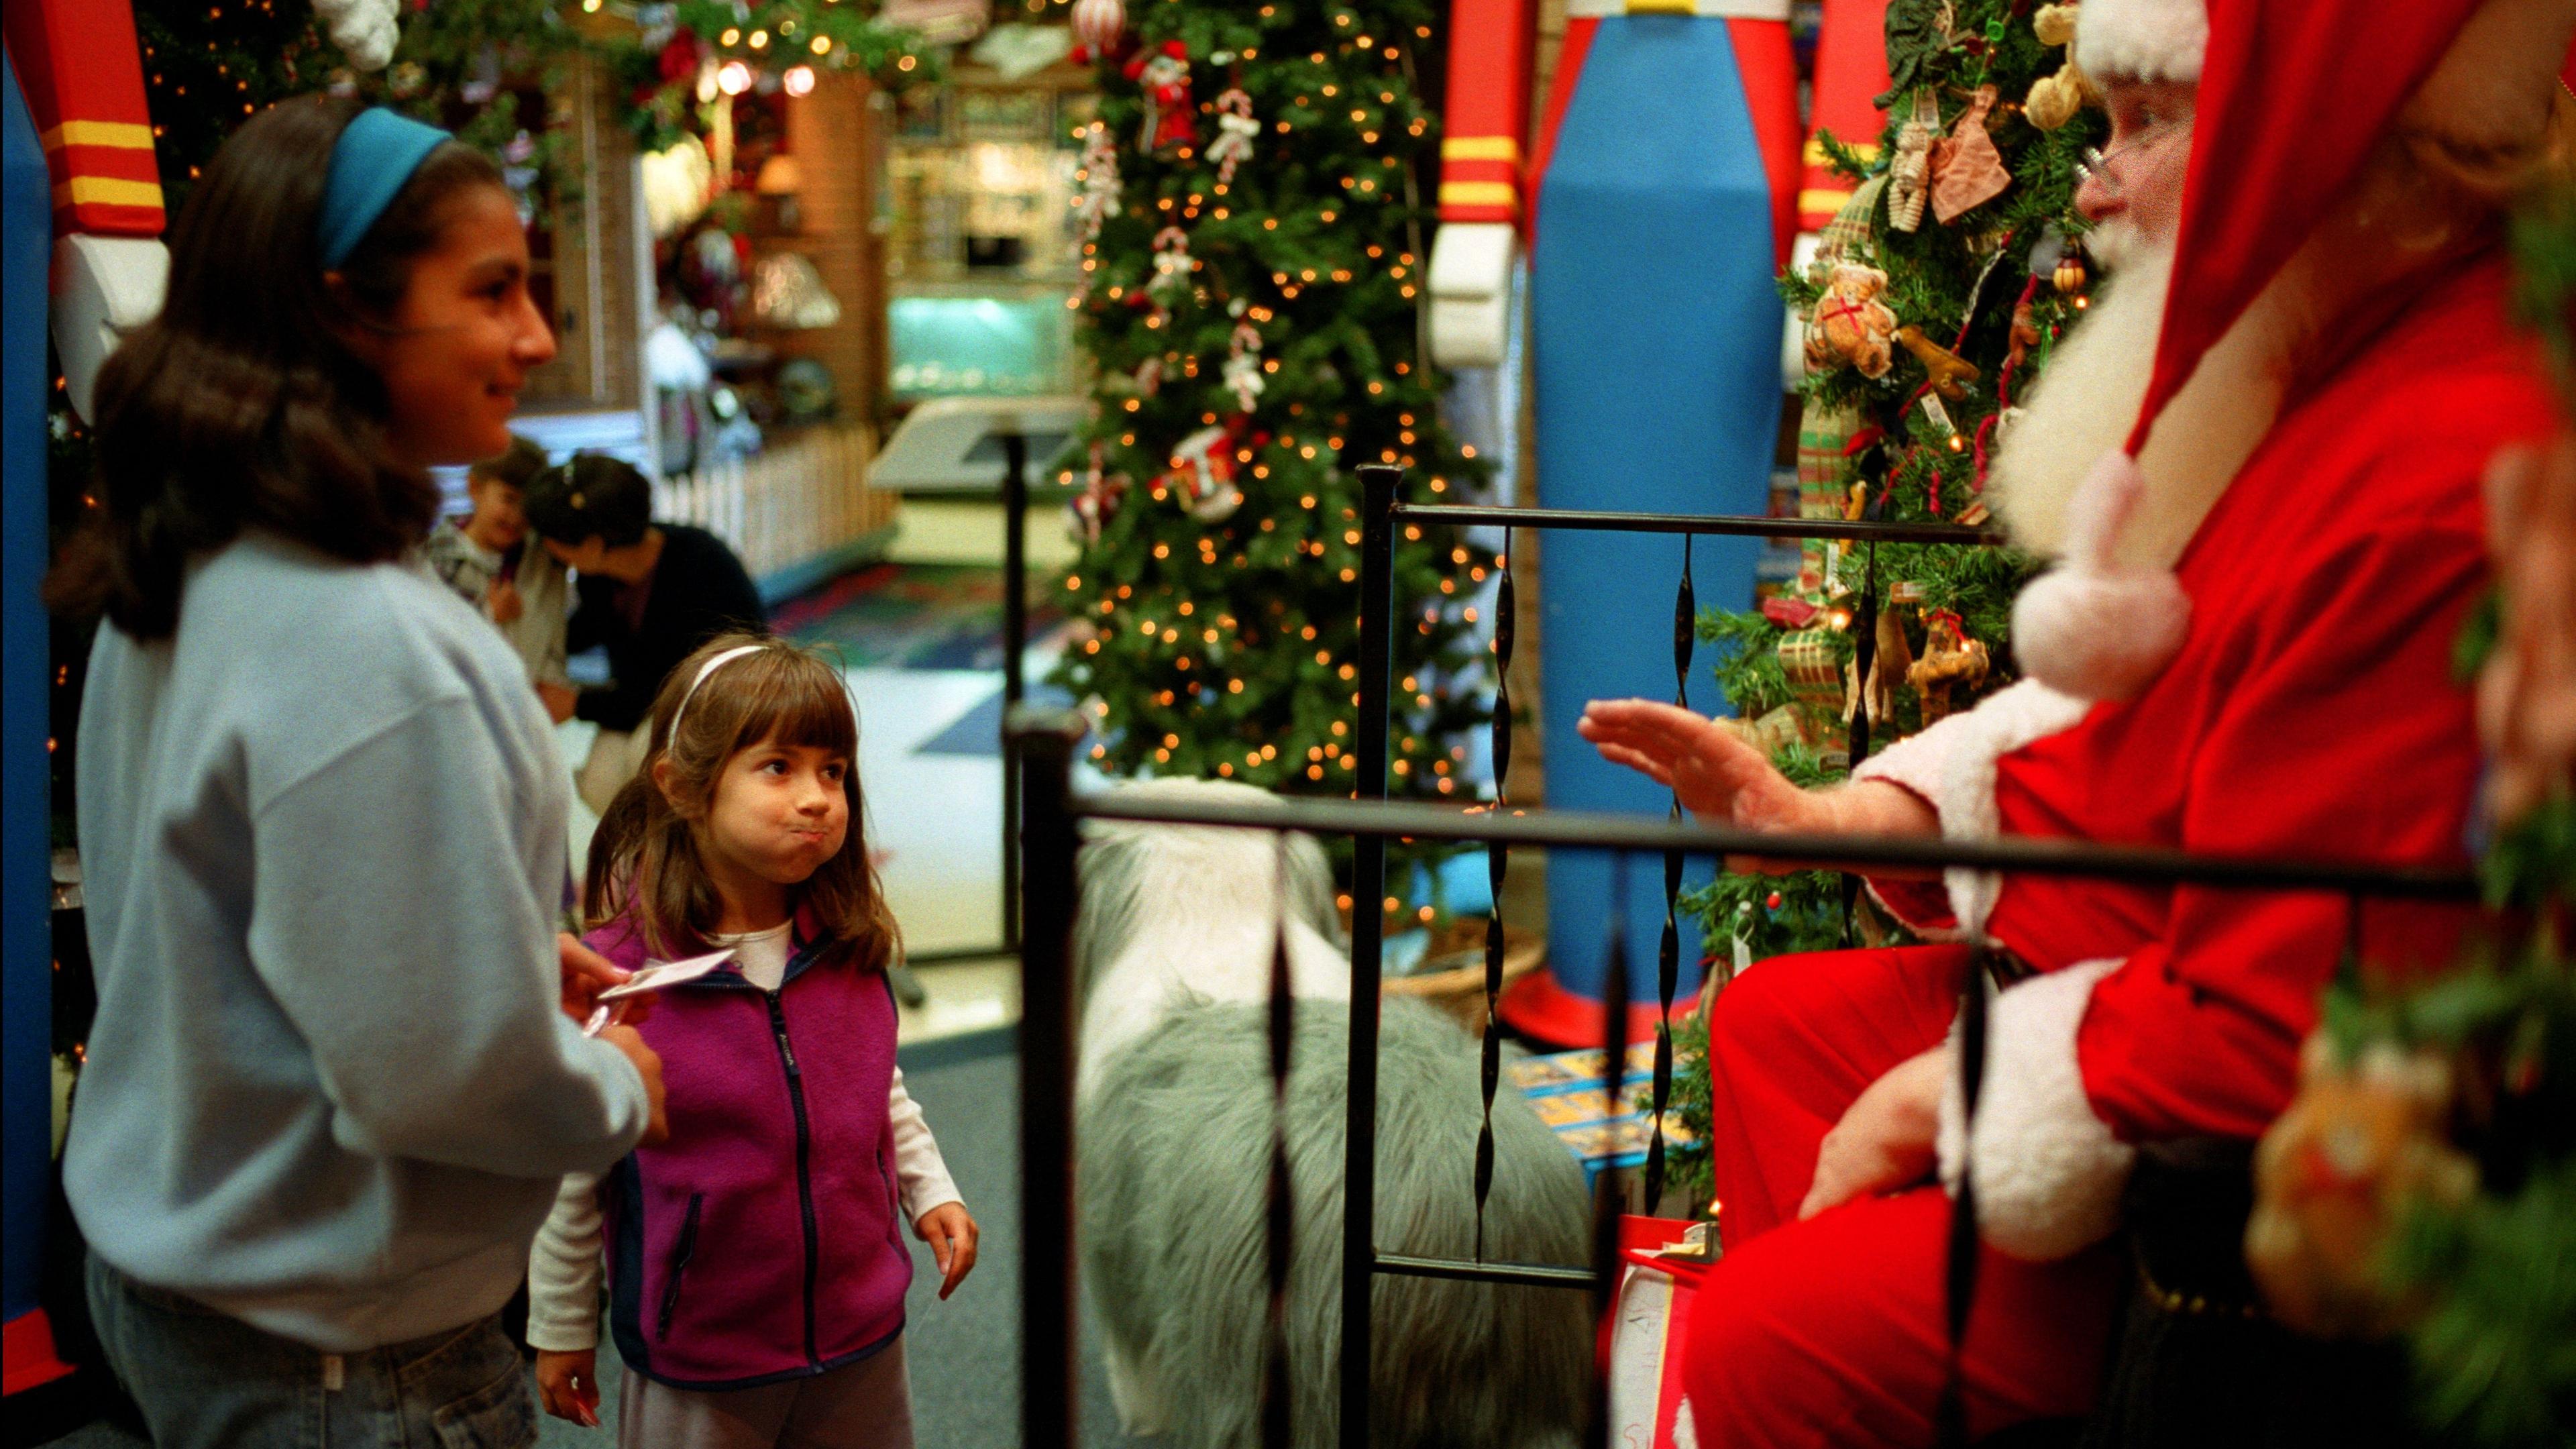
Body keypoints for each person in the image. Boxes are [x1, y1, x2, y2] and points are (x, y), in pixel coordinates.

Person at [1577, 1, 2576, 1443]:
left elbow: (2305, 1014)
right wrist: (1855, 816)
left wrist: (1963, 1098)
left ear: (2329, 141)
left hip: (2256, 1201)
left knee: (1770, 1333)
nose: (2091, 186)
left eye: (2149, 123)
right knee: (1781, 1026)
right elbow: (2159, 739)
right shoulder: (2336, 360)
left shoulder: (2440, 464)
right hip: (2154, 1021)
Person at [43, 100, 669, 1448]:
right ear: (346, 315)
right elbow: (441, 1084)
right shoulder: (374, 646)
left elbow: (239, 917)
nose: (537, 339)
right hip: (350, 1366)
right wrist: (612, 1086)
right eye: (493, 292)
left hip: (192, 1298)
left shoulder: (189, 558)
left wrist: (486, 952)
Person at [527, 635, 978, 1448]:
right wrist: (560, 1323)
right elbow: (576, 1169)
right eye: (779, 767)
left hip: (859, 1330)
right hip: (703, 1354)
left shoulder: (843, 944)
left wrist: (931, 1189)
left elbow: (878, 1087)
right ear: (683, 788)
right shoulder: (622, 975)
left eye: (833, 770)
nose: (818, 798)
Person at [521, 452, 767, 814]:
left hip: (717, 705)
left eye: (552, 537)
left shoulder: (701, 568)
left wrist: (575, 703)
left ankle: (691, 863)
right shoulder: (600, 574)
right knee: (601, 785)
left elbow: (672, 690)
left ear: (591, 545)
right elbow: (591, 627)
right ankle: (646, 864)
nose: (545, 547)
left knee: (653, 768)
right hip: (644, 703)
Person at [424, 432, 580, 721]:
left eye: (527, 506)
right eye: (508, 499)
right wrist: (488, 613)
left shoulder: (546, 552)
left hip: (536, 713)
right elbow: (429, 640)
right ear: (475, 488)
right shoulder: (435, 559)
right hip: (469, 714)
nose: (517, 516)